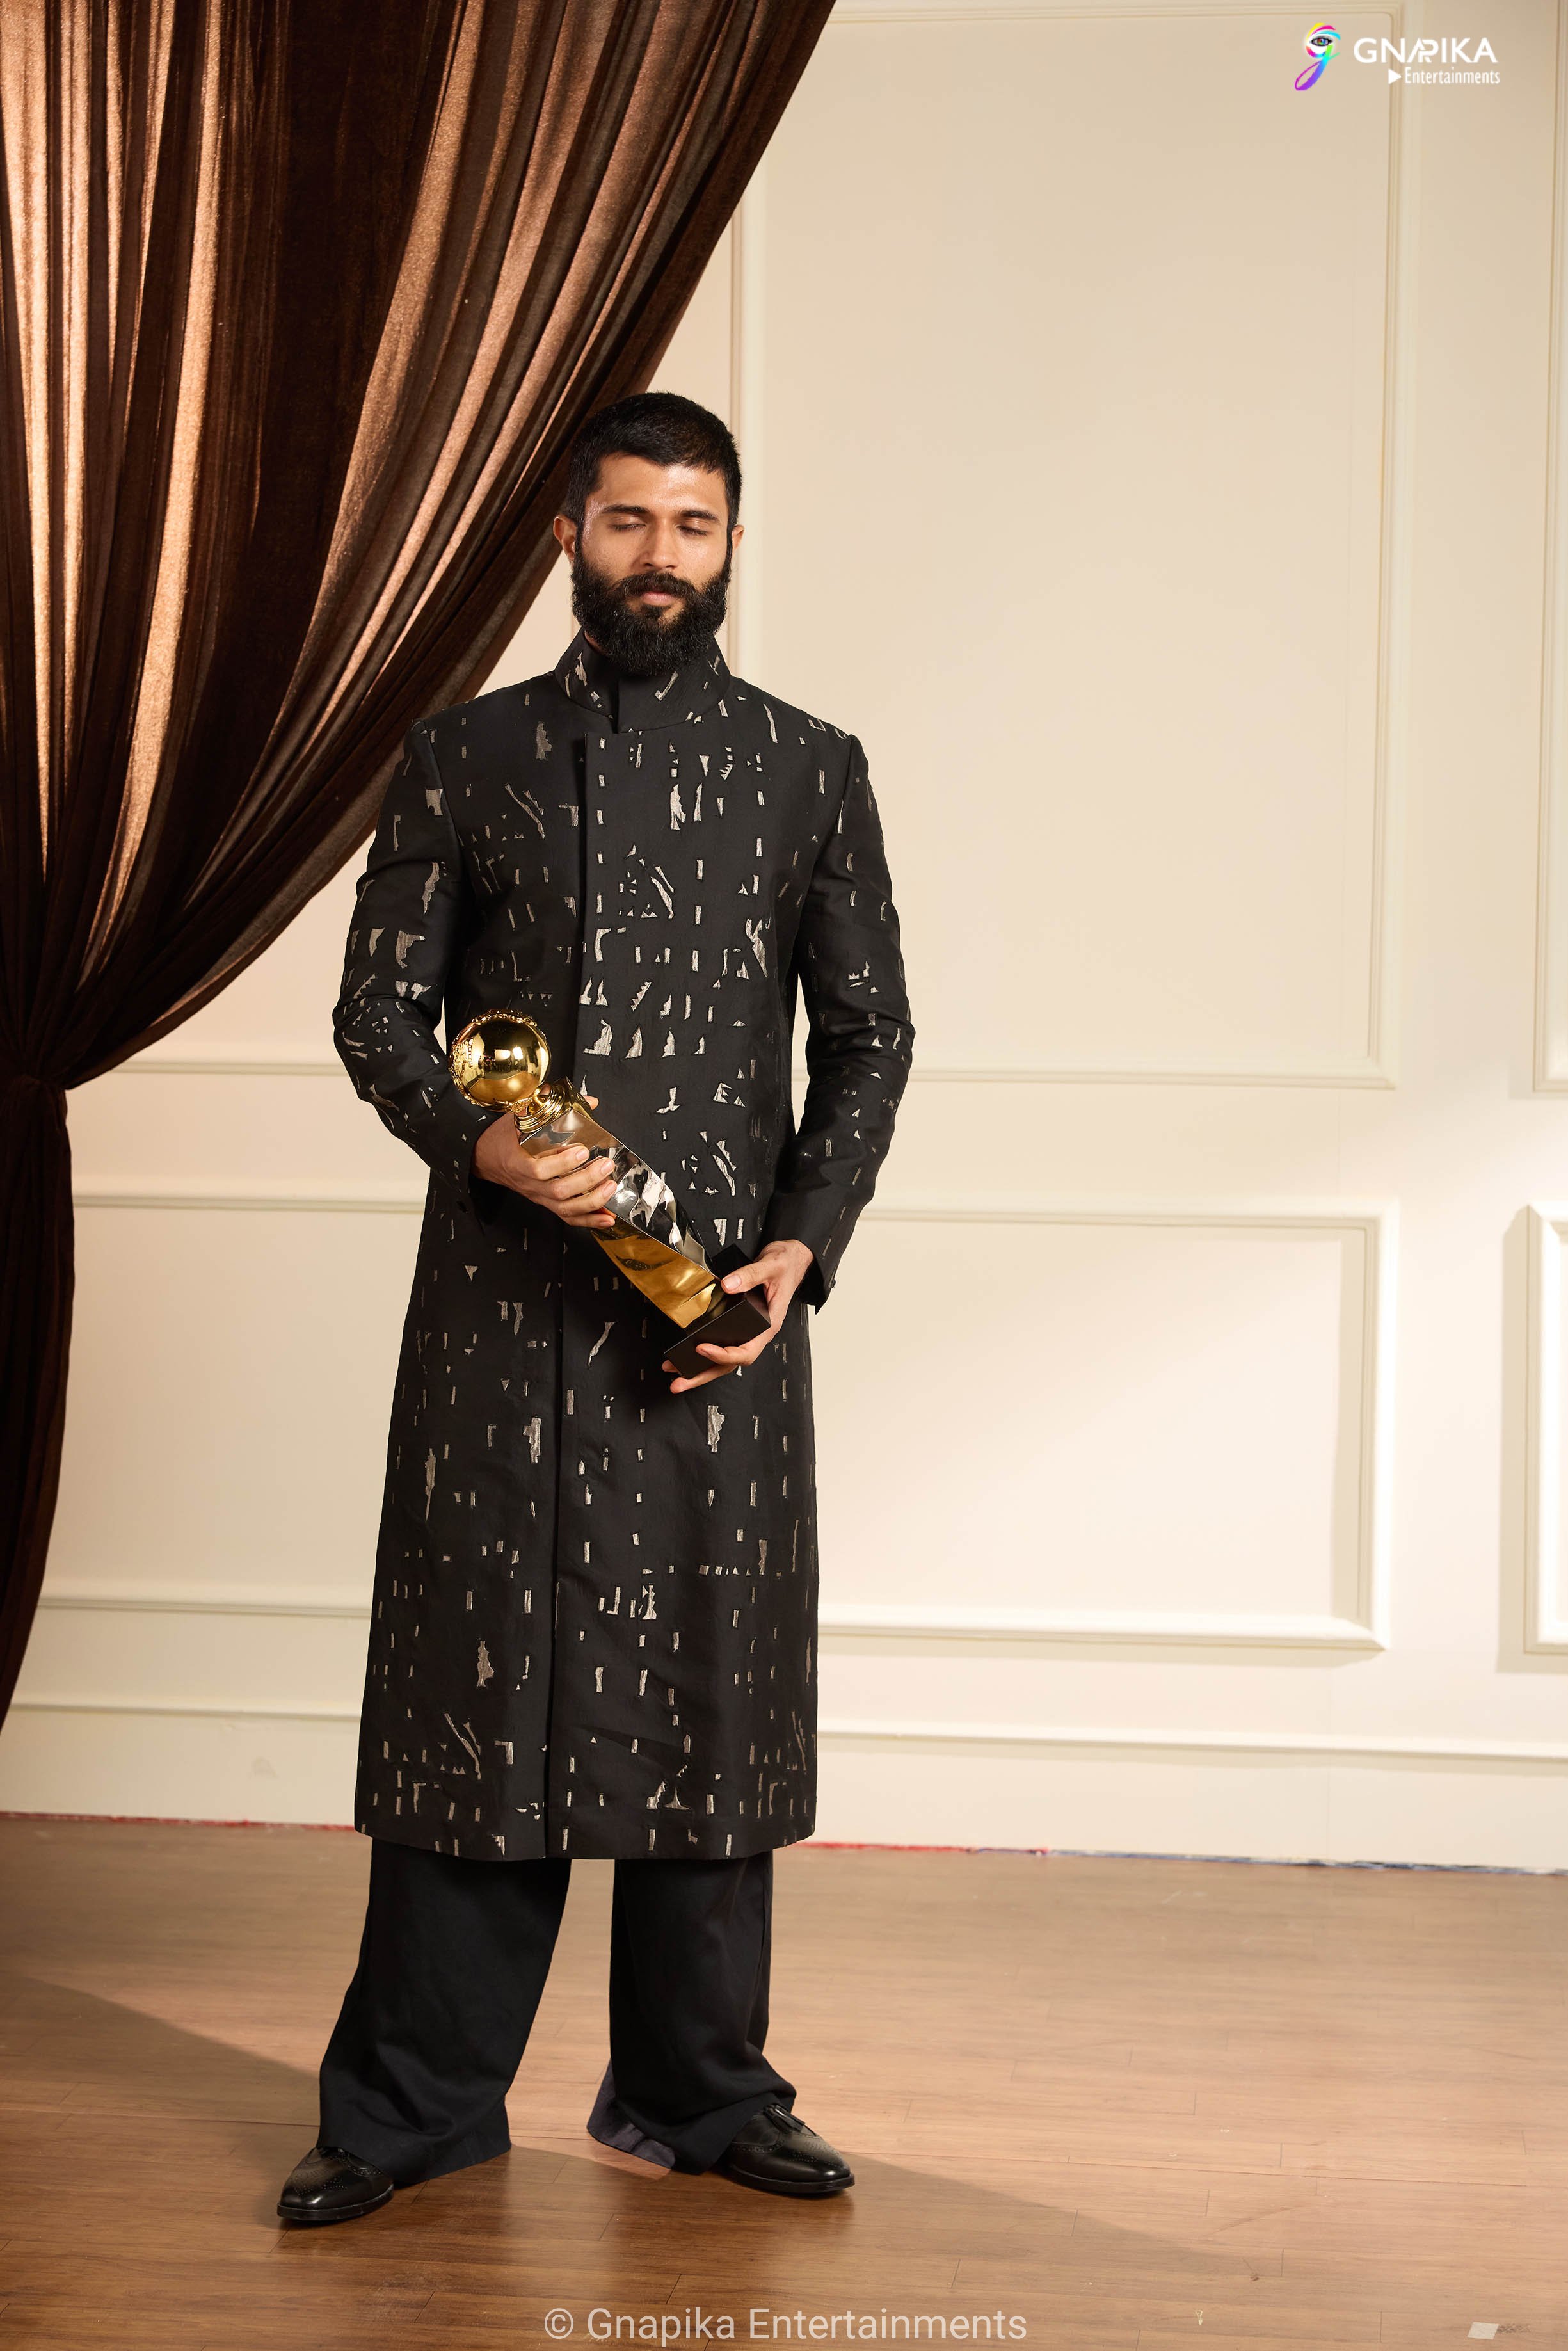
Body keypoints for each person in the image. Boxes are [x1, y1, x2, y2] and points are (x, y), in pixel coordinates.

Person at [277, 392, 915, 2226]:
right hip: (500, 1311)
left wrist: (799, 1248)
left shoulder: (809, 767)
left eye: (691, 526)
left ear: (732, 545)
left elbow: (869, 1035)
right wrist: (477, 1141)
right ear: (569, 536)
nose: (659, 556)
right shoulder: (460, 754)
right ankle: (407, 2110)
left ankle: (700, 2098)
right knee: (472, 1697)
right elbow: (377, 1010)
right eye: (627, 521)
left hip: (714, 1315)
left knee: (712, 1695)